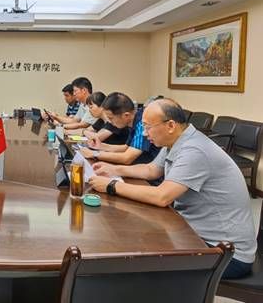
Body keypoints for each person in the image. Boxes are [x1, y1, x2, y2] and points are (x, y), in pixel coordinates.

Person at [88, 98, 257, 279]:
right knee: (134, 233)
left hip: (225, 253)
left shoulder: (194, 150)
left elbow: (162, 197)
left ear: (170, 125)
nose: (144, 133)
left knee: (137, 252)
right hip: (194, 233)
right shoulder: (177, 140)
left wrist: (112, 186)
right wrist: (114, 169)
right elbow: (152, 170)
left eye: (148, 127)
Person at [80, 92, 160, 165]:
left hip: (148, 170)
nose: (110, 122)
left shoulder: (142, 123)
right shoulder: (132, 121)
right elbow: (125, 147)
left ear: (126, 115)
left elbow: (127, 158)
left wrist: (94, 154)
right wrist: (100, 146)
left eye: (111, 118)